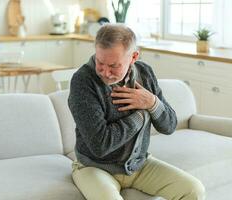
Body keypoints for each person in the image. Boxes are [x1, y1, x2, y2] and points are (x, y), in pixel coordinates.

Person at [68, 24, 205, 200]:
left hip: (138, 165)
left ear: (133, 57)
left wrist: (152, 102)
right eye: (99, 62)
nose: (105, 72)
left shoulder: (145, 73)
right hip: (94, 167)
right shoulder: (83, 81)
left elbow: (169, 126)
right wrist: (142, 115)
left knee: (194, 190)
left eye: (113, 66)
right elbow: (100, 145)